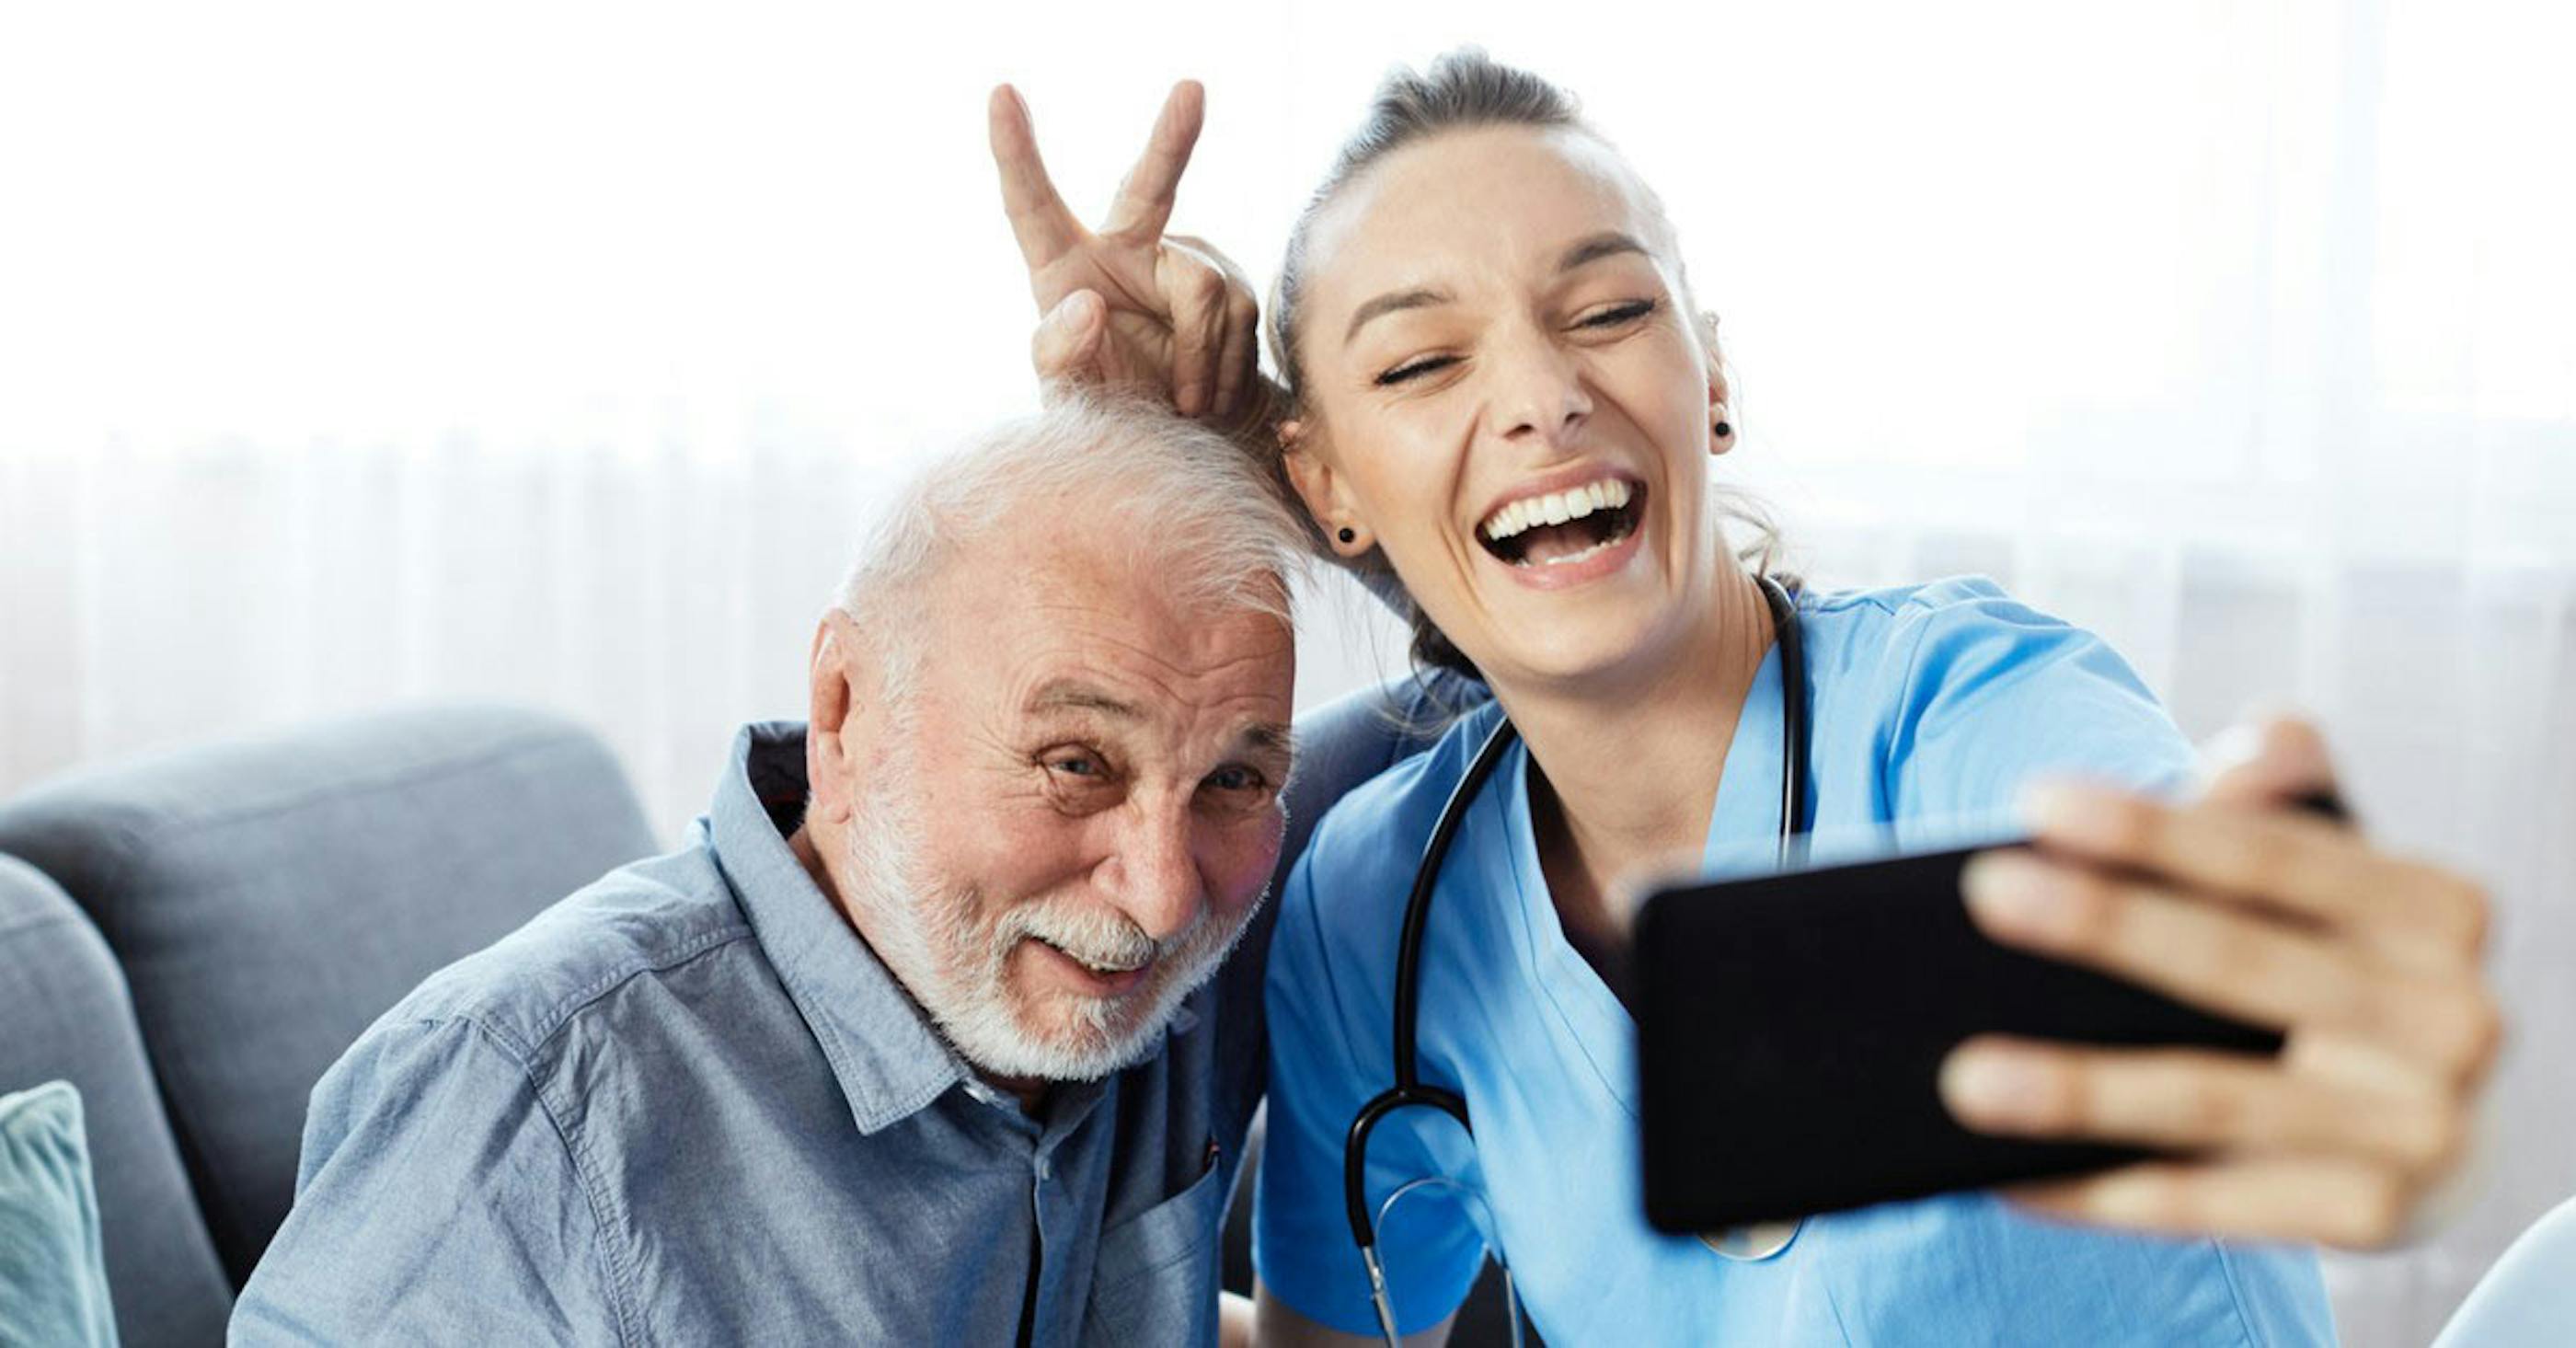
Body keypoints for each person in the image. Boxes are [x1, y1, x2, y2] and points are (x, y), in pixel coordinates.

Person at [991, 52, 2501, 1344]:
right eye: (1425, 360)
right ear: (1318, 484)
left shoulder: (1967, 711)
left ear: (1708, 374)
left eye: (1604, 313)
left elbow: (2228, 933)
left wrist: (2314, 977)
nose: (1541, 394)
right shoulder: (1372, 907)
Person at [231, 395, 1311, 1344]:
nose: (1164, 894)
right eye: (1075, 764)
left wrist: (1275, 424)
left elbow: (1463, 713)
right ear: (844, 710)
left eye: (1232, 781)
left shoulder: (1182, 958)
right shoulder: (521, 1109)